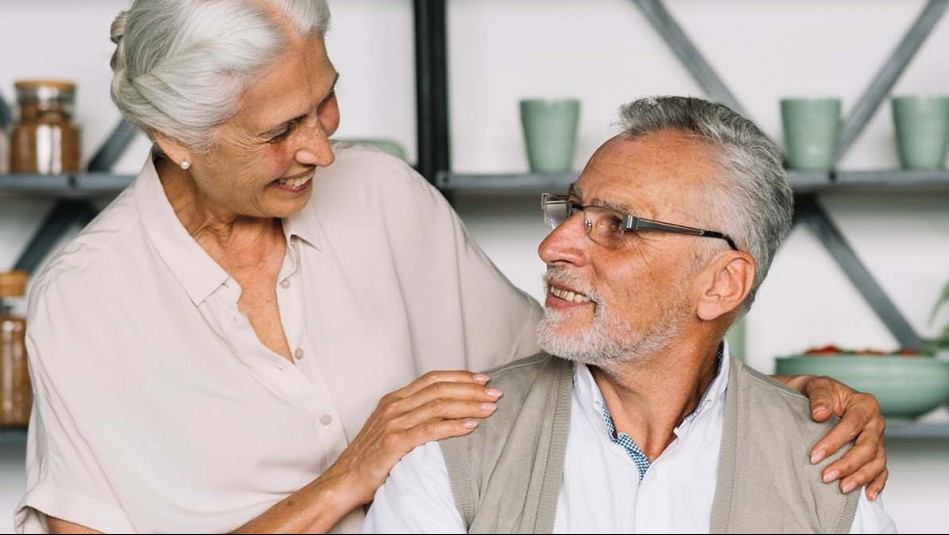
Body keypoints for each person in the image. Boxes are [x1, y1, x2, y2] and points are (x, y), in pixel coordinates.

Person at [14, 1, 886, 533]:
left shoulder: (383, 196)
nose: (322, 146)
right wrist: (349, 475)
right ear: (176, 138)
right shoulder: (86, 303)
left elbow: (602, 348)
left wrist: (785, 408)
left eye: (326, 99)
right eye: (282, 129)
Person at [361, 96, 897, 534]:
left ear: (721, 284)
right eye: (573, 210)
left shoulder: (829, 462)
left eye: (619, 224)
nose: (553, 246)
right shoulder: (454, 446)